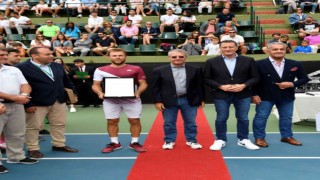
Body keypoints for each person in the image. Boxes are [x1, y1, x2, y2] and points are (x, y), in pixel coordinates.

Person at [16, 47, 79, 158]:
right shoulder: (21, 68)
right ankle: (33, 148)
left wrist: (73, 94)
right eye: (47, 54)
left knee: (59, 124)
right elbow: (19, 88)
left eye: (51, 53)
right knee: (34, 127)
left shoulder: (57, 66)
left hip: (59, 100)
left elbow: (67, 82)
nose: (51, 56)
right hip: (36, 103)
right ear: (34, 55)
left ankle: (59, 144)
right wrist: (28, 104)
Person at [203, 40, 260, 151]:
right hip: (221, 94)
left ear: (236, 47)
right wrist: (220, 86)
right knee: (221, 118)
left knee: (243, 118)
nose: (228, 49)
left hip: (243, 94)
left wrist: (244, 85)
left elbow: (255, 77)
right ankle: (220, 139)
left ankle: (243, 139)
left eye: (230, 47)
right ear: (220, 48)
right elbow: (206, 79)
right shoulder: (211, 61)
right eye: (225, 47)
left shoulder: (248, 60)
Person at [252, 42, 309, 147]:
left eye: (281, 49)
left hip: (287, 96)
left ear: (285, 50)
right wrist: (254, 95)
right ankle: (259, 138)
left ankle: (286, 136)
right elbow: (253, 81)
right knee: (261, 117)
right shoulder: (258, 64)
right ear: (268, 51)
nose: (279, 51)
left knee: (287, 117)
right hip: (265, 96)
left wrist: (292, 84)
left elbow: (304, 78)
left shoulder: (295, 64)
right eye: (275, 49)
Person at [92, 48, 148, 153]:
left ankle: (134, 143)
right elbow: (96, 85)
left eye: (120, 55)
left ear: (125, 56)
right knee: (112, 121)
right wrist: (100, 93)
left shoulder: (136, 68)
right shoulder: (100, 70)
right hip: (110, 101)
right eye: (114, 55)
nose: (117, 57)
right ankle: (114, 143)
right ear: (109, 57)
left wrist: (138, 93)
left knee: (134, 121)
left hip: (132, 100)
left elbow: (143, 83)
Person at [151, 49, 204, 150]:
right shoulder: (159, 70)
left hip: (189, 100)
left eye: (180, 56)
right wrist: (158, 101)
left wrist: (202, 99)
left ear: (185, 57)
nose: (177, 58)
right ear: (169, 58)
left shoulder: (195, 69)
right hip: (168, 101)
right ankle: (169, 140)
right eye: (174, 57)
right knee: (169, 122)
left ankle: (191, 140)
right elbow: (155, 87)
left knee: (191, 122)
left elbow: (200, 86)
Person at [0, 48, 38, 174]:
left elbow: (25, 85)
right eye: (1, 55)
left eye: (6, 55)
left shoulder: (14, 69)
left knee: (17, 133)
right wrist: (14, 97)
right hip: (3, 104)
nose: (5, 57)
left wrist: (23, 95)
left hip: (16, 105)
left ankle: (16, 156)